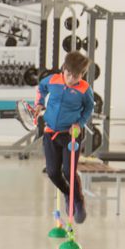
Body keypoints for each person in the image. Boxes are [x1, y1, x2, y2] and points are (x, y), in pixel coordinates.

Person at [35, 51, 95, 224]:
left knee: (68, 171)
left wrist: (80, 123)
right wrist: (39, 104)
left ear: (82, 75)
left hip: (71, 136)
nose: (70, 79)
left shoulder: (84, 89)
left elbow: (89, 108)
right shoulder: (53, 80)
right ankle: (68, 193)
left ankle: (78, 201)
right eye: (68, 74)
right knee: (53, 172)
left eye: (75, 76)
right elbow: (41, 87)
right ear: (64, 69)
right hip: (51, 133)